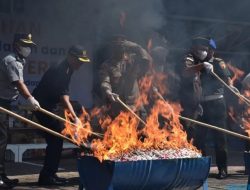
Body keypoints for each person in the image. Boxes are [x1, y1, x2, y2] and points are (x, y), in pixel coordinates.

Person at [32, 45, 90, 186]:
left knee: (57, 138)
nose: (81, 64)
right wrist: (75, 118)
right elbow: (64, 99)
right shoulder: (61, 70)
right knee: (55, 140)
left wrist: (76, 112)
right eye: (79, 60)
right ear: (71, 57)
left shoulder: (69, 68)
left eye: (83, 61)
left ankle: (50, 174)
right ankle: (46, 177)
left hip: (51, 104)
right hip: (41, 106)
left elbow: (64, 96)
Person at [183, 37, 232, 179]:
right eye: (201, 49)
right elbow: (187, 72)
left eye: (207, 49)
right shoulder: (196, 62)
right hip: (201, 105)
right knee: (199, 139)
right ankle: (202, 168)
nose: (204, 52)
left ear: (212, 51)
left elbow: (227, 81)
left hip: (216, 104)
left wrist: (231, 87)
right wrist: (201, 66)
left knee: (220, 138)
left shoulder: (217, 63)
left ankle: (223, 169)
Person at [0, 33, 40, 188]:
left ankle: (2, 175)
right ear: (17, 45)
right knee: (1, 140)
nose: (28, 48)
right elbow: (18, 83)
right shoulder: (11, 60)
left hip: (6, 103)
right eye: (25, 45)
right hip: (0, 102)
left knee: (3, 140)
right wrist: (30, 98)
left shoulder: (19, 60)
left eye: (30, 46)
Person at [99, 37, 151, 121]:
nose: (119, 49)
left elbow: (147, 58)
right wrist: (108, 92)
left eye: (121, 46)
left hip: (135, 104)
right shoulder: (107, 65)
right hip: (119, 106)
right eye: (116, 46)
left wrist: (134, 46)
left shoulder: (133, 60)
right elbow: (105, 81)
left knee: (141, 130)